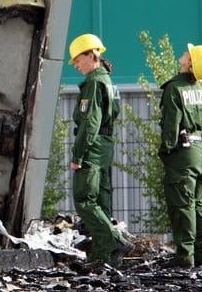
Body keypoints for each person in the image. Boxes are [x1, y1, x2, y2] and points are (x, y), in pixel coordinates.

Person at [68, 33, 133, 266]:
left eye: (77, 59)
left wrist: (78, 155)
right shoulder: (107, 81)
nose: (75, 65)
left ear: (92, 55)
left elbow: (90, 122)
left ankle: (116, 241)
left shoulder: (94, 83)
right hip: (105, 146)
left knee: (85, 199)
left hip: (93, 147)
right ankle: (103, 257)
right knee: (101, 201)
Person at [158, 43, 202, 269]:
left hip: (182, 153)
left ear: (190, 63)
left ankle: (184, 258)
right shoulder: (199, 89)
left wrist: (166, 151)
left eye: (187, 54)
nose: (184, 53)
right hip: (200, 150)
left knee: (182, 205)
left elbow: (171, 128)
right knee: (198, 203)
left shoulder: (174, 89)